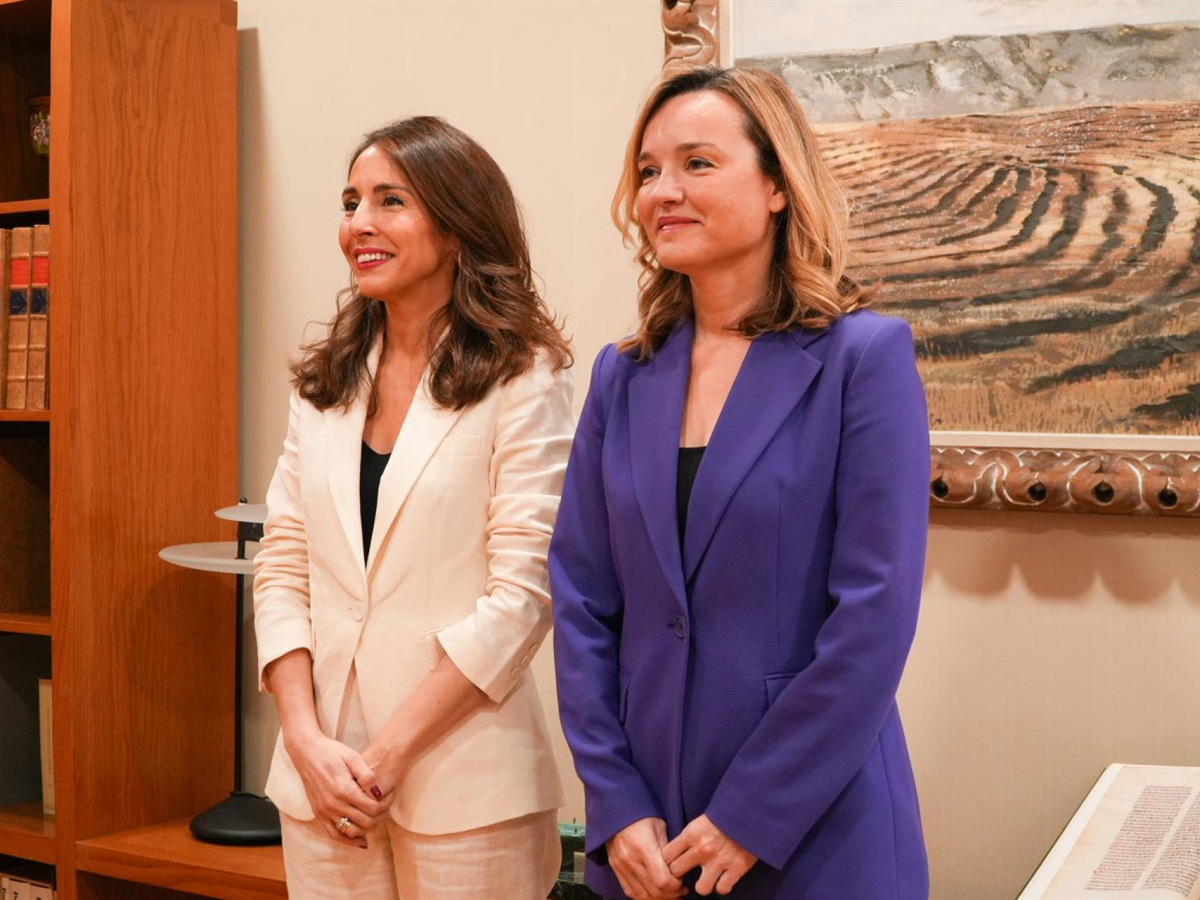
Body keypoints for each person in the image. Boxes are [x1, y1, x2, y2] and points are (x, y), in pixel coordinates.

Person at [550, 66, 930, 900]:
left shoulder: (863, 359)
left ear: (777, 186)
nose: (663, 191)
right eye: (648, 171)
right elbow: (580, 599)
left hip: (813, 834)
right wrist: (614, 800)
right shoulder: (622, 374)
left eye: (697, 163)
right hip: (646, 841)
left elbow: (874, 617)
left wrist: (752, 814)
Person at [253, 116, 573, 900]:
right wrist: (304, 739)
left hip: (467, 785)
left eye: (389, 201)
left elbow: (524, 593)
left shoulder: (523, 376)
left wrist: (388, 754)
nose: (359, 223)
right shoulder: (324, 383)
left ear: (457, 227)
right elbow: (282, 565)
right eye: (351, 202)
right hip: (320, 782)